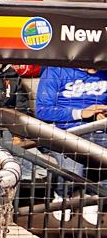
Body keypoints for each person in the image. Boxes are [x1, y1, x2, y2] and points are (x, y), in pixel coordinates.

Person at [35, 66, 107, 224]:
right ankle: (62, 197)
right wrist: (80, 113)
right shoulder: (55, 70)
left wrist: (102, 114)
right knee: (74, 163)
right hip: (65, 130)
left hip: (98, 130)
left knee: (103, 157)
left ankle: (92, 198)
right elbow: (42, 110)